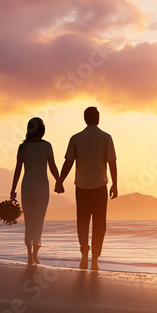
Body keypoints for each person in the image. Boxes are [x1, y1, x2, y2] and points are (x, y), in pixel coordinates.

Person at [56, 106, 118, 270]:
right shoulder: (106, 138)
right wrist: (115, 184)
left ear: (85, 119)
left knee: (82, 222)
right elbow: (112, 162)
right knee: (100, 223)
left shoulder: (76, 138)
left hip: (82, 186)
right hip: (100, 186)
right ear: (98, 119)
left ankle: (84, 254)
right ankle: (95, 260)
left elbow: (68, 162)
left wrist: (60, 181)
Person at [10, 117, 59, 266]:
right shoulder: (47, 146)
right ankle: (35, 254)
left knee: (29, 219)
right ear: (42, 130)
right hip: (42, 186)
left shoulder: (23, 147)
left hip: (27, 185)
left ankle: (29, 255)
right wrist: (59, 181)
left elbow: (18, 170)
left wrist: (12, 189)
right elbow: (52, 166)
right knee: (38, 219)